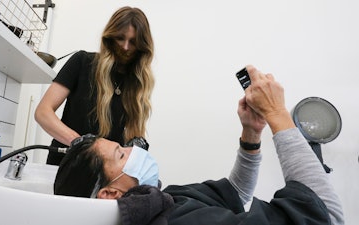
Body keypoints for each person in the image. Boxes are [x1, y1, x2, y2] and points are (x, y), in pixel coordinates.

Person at [53, 65, 344, 225]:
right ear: (109, 193)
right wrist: (278, 115)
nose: (135, 150)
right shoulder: (175, 219)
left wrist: (251, 134)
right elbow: (327, 218)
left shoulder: (164, 201)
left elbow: (236, 193)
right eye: (121, 152)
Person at [34, 6, 155, 165]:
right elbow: (43, 112)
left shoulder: (137, 82)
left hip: (105, 170)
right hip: (66, 164)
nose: (125, 47)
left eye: (133, 42)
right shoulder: (82, 62)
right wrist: (80, 143)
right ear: (110, 37)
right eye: (120, 38)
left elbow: (133, 134)